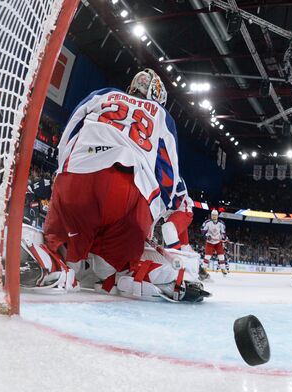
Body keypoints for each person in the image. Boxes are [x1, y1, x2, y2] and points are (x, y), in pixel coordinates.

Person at [34, 68, 207, 301]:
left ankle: (50, 262)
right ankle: (142, 277)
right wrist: (151, 216)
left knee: (66, 253)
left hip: (78, 176)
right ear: (158, 97)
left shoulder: (102, 94)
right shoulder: (161, 115)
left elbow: (70, 131)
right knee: (107, 270)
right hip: (128, 188)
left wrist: (63, 173)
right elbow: (169, 175)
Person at [200, 210, 227, 279]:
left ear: (217, 216)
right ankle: (203, 269)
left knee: (221, 256)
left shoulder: (221, 223)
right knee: (207, 256)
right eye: (213, 215)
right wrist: (207, 236)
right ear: (211, 215)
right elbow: (202, 231)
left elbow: (223, 232)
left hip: (218, 242)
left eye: (215, 215)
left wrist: (223, 237)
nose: (214, 216)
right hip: (210, 242)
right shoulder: (207, 222)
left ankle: (223, 269)